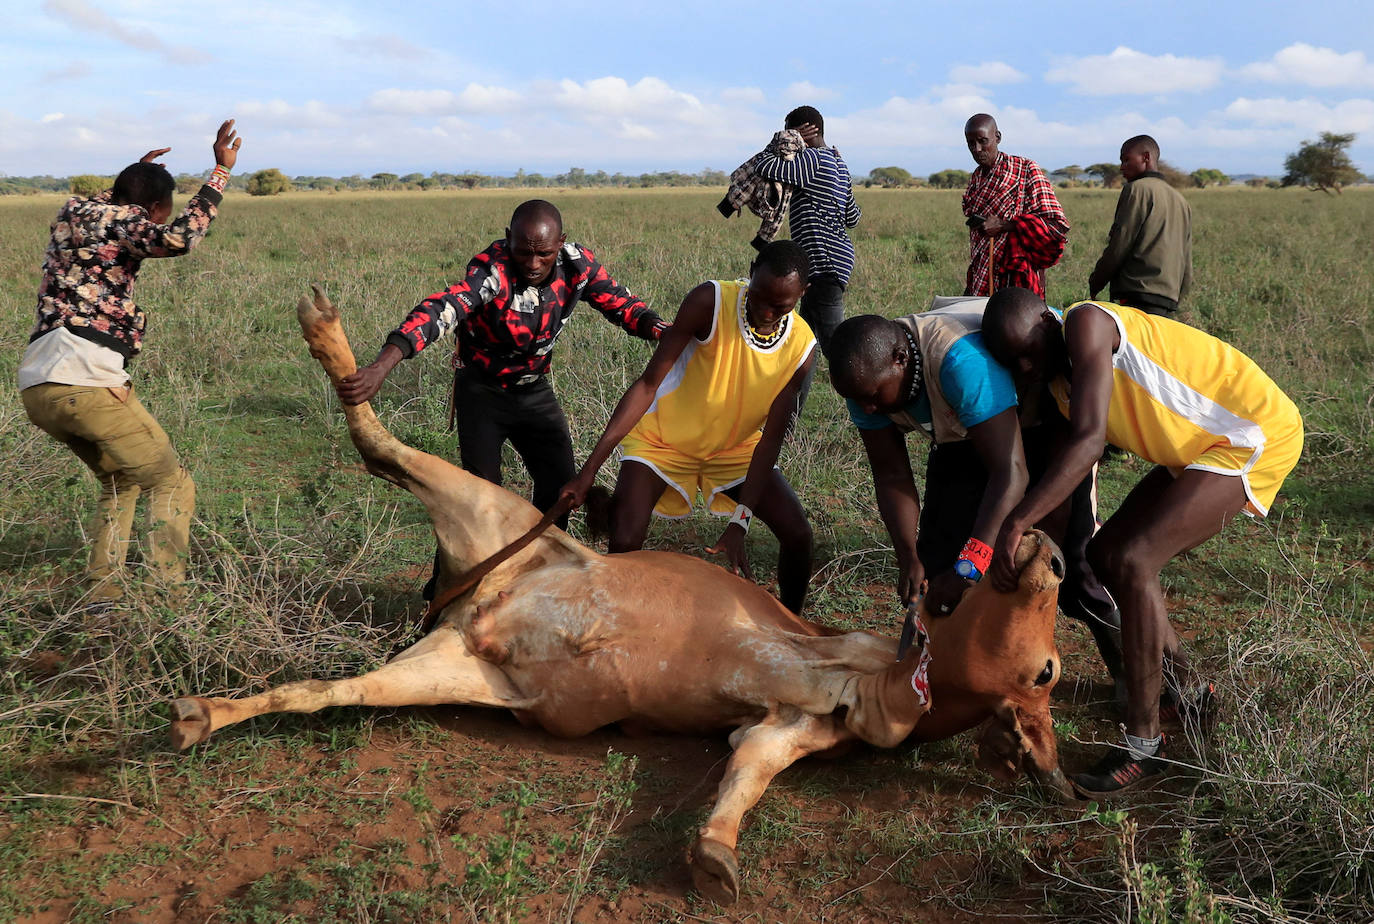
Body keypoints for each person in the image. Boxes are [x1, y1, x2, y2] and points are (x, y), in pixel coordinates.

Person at [981, 288, 1304, 796]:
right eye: (1013, 360)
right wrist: (1044, 546)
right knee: (1106, 554)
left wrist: (1015, 523)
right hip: (1198, 447)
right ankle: (1193, 692)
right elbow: (1067, 470)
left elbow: (1089, 442)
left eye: (1028, 350)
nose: (1025, 365)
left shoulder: (1087, 324)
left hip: (1250, 434)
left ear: (1049, 322)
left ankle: (1143, 747)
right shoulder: (1058, 378)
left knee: (1135, 560)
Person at [337, 200, 668, 541]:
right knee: (481, 501)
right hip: (482, 394)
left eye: (544, 253)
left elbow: (623, 306)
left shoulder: (576, 265)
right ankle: (448, 589)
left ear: (561, 242)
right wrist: (381, 366)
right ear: (509, 239)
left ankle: (544, 574)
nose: (534, 263)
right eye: (523, 252)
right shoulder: (492, 271)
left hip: (533, 391)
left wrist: (666, 330)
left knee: (560, 487)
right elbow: (441, 310)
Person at [827, 300, 1122, 679]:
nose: (867, 409)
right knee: (936, 560)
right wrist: (908, 554)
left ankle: (1134, 666)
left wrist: (971, 564)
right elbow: (891, 477)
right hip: (966, 429)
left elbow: (1011, 473)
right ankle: (954, 673)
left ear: (901, 359)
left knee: (1072, 562)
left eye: (872, 397)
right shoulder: (864, 383)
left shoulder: (959, 362)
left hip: (1041, 417)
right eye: (858, 399)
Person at [19, 120, 243, 602]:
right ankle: (168, 603)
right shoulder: (132, 223)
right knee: (172, 484)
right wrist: (219, 175)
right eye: (160, 210)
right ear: (156, 208)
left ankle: (104, 604)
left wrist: (135, 173)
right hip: (86, 377)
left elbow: (114, 204)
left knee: (120, 481)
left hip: (38, 384)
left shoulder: (74, 209)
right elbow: (180, 238)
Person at [560, 241, 817, 614]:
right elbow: (648, 385)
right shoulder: (709, 302)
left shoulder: (802, 347)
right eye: (759, 296)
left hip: (734, 450)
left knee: (798, 534)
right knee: (625, 540)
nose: (765, 311)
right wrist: (587, 473)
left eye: (781, 306)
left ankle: (795, 627)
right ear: (751, 272)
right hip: (662, 441)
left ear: (803, 294)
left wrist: (740, 522)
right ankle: (617, 625)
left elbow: (770, 440)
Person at [742, 106, 861, 356]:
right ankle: (795, 394)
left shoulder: (811, 159)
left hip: (823, 262)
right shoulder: (839, 163)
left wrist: (776, 144)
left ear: (806, 132)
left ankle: (861, 388)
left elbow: (767, 168)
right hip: (832, 261)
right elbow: (853, 217)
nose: (788, 141)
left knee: (834, 349)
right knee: (803, 343)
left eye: (790, 134)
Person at [961, 113, 1068, 299]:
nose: (977, 149)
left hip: (1016, 274)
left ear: (998, 137)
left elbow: (1055, 226)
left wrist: (1004, 225)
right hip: (981, 273)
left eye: (983, 141)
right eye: (971, 143)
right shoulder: (976, 178)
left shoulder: (1025, 169)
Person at [1088, 135, 1193, 318]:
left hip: (1136, 293)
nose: (1122, 167)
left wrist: (1096, 281)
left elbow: (1120, 244)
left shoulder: (1136, 189)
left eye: (1126, 159)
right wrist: (1177, 296)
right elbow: (1187, 260)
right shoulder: (1181, 200)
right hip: (1168, 299)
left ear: (1146, 157)